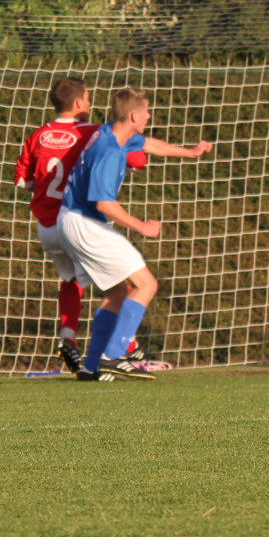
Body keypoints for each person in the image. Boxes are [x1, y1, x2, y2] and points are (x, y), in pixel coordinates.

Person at [58, 87, 212, 381]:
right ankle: (114, 355)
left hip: (72, 219)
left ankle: (91, 366)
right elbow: (104, 203)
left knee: (117, 291)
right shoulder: (109, 151)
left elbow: (148, 144)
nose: (149, 116)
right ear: (133, 115)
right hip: (84, 223)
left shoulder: (111, 132)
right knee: (147, 284)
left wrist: (190, 152)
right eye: (145, 112)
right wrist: (142, 226)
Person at [14, 77, 152, 372]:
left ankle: (68, 339)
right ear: (79, 103)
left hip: (46, 226)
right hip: (75, 219)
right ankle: (123, 349)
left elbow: (24, 181)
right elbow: (136, 157)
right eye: (88, 98)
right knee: (123, 284)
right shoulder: (91, 132)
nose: (90, 103)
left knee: (72, 281)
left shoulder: (38, 135)